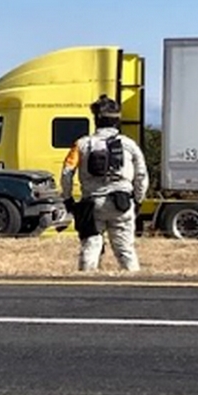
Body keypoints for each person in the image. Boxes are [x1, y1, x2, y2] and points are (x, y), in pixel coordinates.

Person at [60, 94, 148, 272]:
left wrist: (68, 199)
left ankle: (86, 284)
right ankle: (135, 286)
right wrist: (138, 200)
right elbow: (142, 175)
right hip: (122, 203)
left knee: (91, 245)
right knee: (125, 250)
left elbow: (66, 172)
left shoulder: (82, 144)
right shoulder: (129, 145)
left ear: (96, 120)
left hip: (92, 205)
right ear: (117, 121)